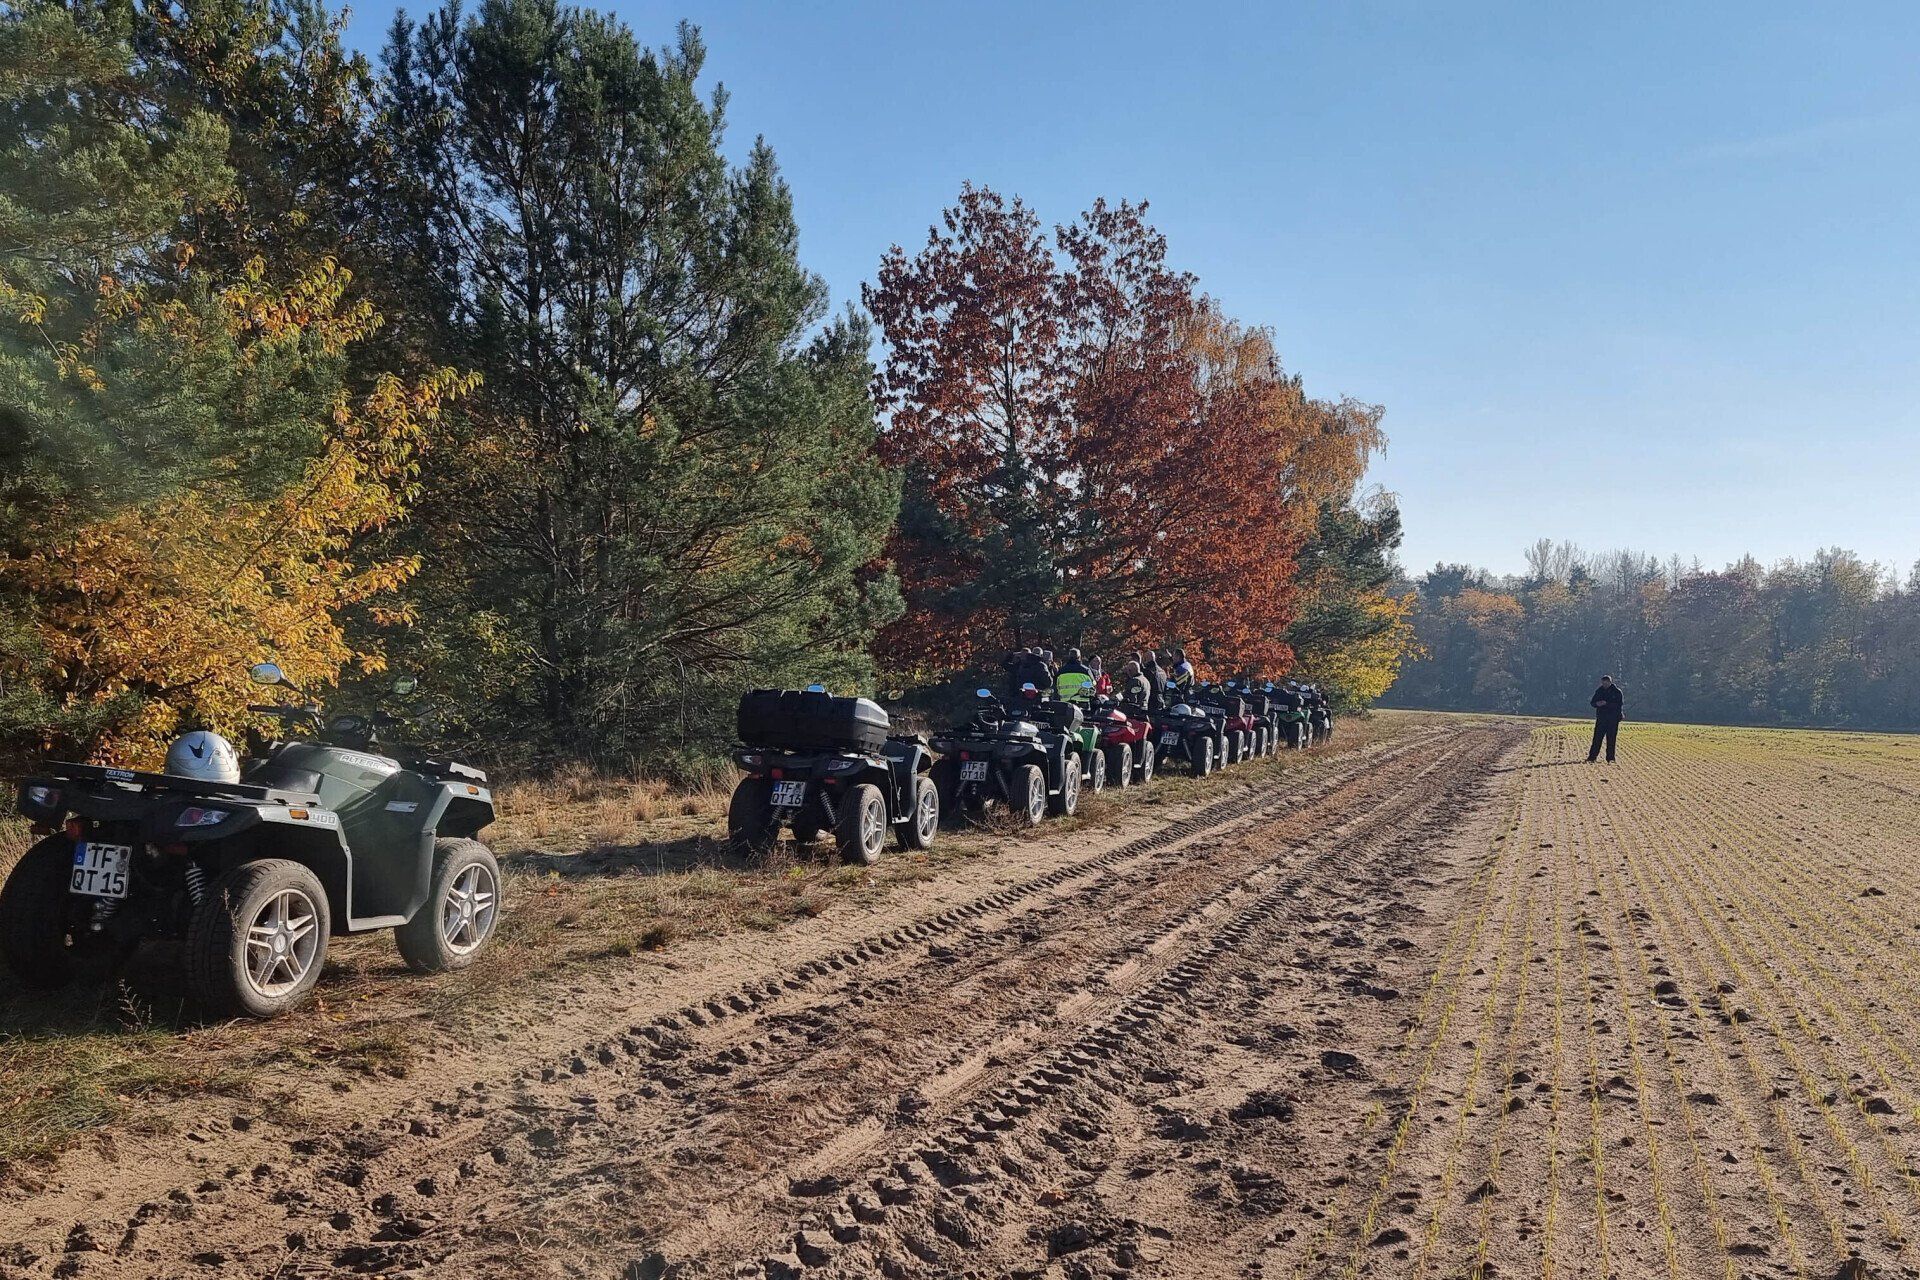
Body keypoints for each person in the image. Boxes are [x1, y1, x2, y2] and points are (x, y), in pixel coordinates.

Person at [1588, 675, 1624, 763]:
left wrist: (1606, 703)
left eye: (1606, 682)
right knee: (1597, 738)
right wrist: (1597, 703)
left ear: (1610, 682)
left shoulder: (1617, 692)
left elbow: (1619, 705)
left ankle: (1610, 758)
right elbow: (1592, 703)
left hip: (1613, 719)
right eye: (1603, 683)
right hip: (1601, 719)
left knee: (1611, 739)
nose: (1604, 684)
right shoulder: (1599, 691)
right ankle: (1592, 757)